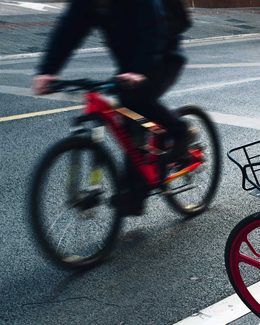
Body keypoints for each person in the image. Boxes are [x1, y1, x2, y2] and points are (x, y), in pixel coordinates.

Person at [32, 0, 191, 215]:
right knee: (129, 124)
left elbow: (152, 29)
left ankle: (181, 131)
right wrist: (47, 71)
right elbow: (67, 32)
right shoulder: (87, 4)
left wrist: (139, 70)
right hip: (130, 69)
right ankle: (136, 194)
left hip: (163, 57)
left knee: (139, 103)